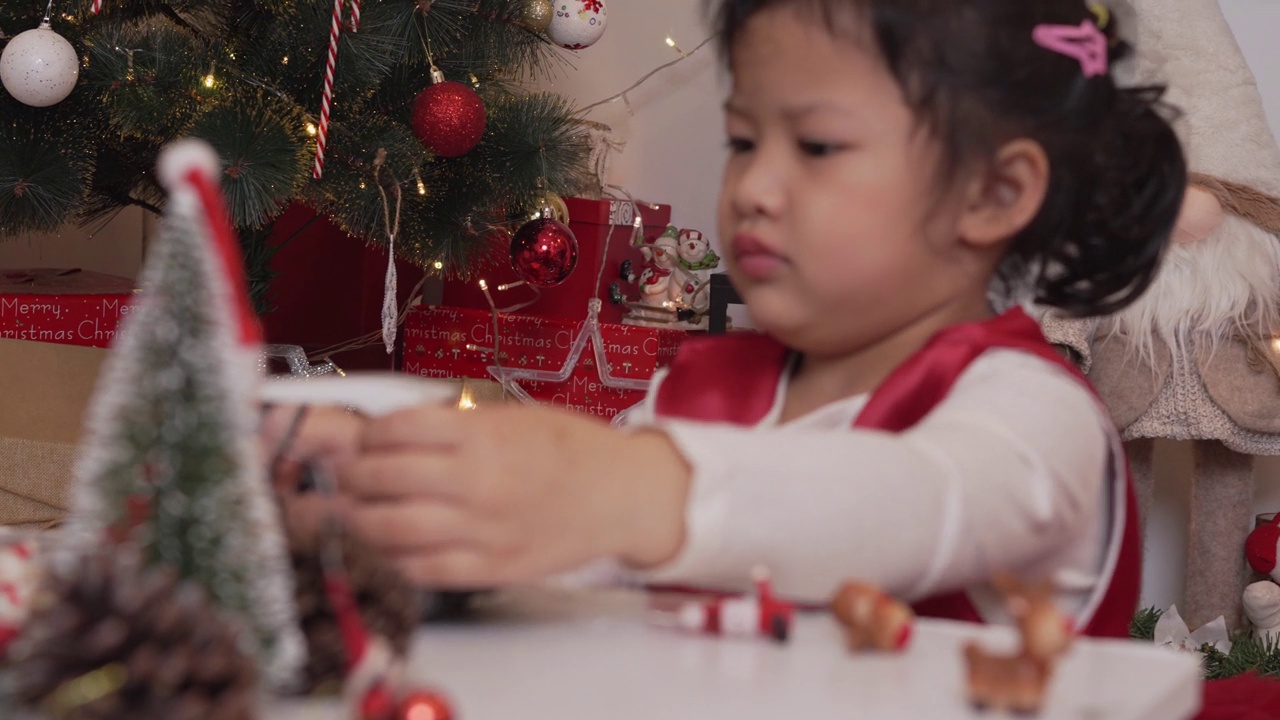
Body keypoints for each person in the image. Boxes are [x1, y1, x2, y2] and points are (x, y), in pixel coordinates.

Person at [268, 0, 1186, 638]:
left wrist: (612, 487)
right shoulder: (700, 389)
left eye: (817, 145)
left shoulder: (1036, 418)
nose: (754, 186)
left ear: (994, 192)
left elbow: (900, 508)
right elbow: (569, 553)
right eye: (745, 141)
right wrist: (386, 497)